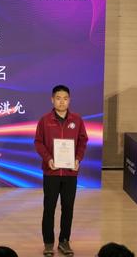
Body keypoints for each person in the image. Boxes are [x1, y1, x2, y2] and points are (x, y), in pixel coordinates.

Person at [34, 85, 88, 256]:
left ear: (69, 100)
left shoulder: (77, 120)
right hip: (51, 172)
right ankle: (48, 243)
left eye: (65, 98)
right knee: (49, 208)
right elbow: (38, 142)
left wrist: (78, 159)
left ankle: (64, 241)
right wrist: (48, 159)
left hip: (70, 173)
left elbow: (83, 142)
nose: (62, 101)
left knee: (68, 208)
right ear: (52, 100)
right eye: (58, 98)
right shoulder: (45, 120)